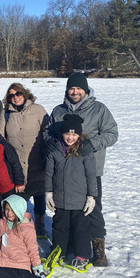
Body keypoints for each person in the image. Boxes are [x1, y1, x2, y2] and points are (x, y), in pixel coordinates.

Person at [45, 72, 118, 266]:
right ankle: (68, 246)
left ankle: (97, 246)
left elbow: (112, 133)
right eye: (72, 88)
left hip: (89, 170)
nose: (75, 92)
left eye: (78, 88)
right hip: (63, 171)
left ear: (85, 90)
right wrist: (51, 142)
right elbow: (48, 132)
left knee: (91, 209)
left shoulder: (98, 109)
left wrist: (92, 144)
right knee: (65, 210)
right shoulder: (58, 111)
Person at [44, 114, 98, 270]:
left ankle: (82, 255)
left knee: (81, 229)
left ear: (79, 135)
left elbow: (91, 175)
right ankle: (59, 251)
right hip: (60, 198)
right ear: (62, 133)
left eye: (74, 134)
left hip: (80, 200)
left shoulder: (85, 150)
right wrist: (48, 192)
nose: (70, 137)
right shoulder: (54, 149)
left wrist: (91, 196)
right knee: (60, 227)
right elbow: (48, 173)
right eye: (67, 133)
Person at [0, 83, 49, 236]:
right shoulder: (6, 113)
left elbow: (47, 131)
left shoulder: (38, 110)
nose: (15, 97)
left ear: (24, 94)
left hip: (36, 160)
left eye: (18, 94)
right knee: (18, 196)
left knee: (39, 193)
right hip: (16, 163)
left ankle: (40, 224)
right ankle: (17, 224)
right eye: (11, 95)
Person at [0, 195, 44, 278]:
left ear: (19, 210)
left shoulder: (27, 228)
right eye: (7, 209)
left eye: (13, 210)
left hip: (19, 263)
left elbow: (32, 249)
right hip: (2, 261)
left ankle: (29, 276)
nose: (9, 213)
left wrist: (37, 267)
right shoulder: (0, 223)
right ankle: (6, 275)